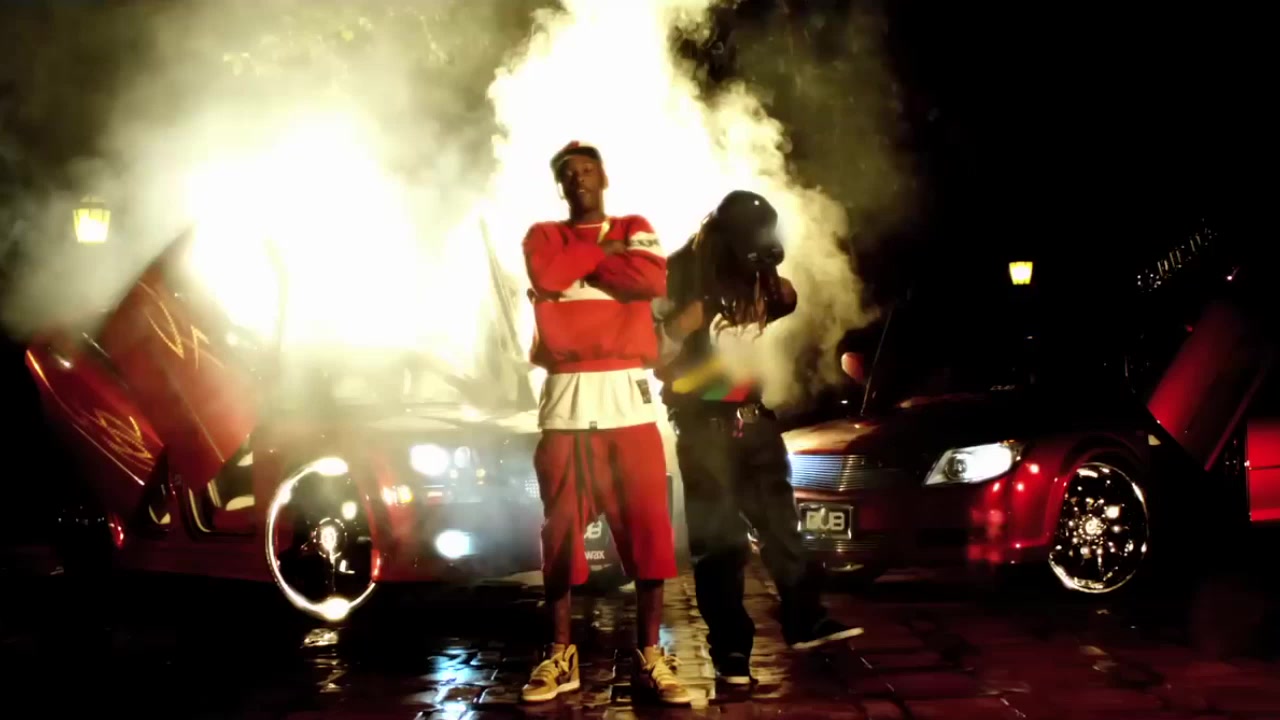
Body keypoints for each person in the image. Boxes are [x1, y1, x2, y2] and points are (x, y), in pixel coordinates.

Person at [655, 190, 862, 686]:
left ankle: (805, 620)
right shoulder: (677, 277)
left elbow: (787, 296)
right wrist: (681, 326)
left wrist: (763, 272)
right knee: (720, 544)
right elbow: (653, 357)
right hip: (703, 427)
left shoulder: (753, 278)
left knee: (782, 531)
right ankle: (730, 650)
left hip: (755, 421)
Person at [519, 141, 691, 706]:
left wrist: (583, 261)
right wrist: (603, 257)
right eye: (568, 173)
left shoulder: (634, 226)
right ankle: (560, 655)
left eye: (588, 170)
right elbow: (547, 272)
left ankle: (651, 655)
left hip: (628, 402)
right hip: (566, 404)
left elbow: (650, 281)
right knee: (560, 533)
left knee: (648, 528)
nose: (579, 179)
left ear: (604, 177)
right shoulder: (543, 234)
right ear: (560, 185)